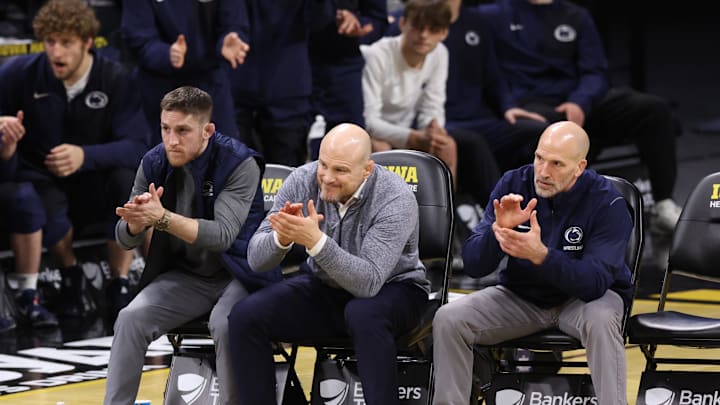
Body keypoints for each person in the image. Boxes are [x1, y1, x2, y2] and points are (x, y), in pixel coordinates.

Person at [432, 121, 633, 405]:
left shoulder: (608, 203)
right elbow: (475, 265)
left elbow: (594, 283)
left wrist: (542, 256)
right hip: (522, 297)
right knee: (449, 319)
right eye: (539, 158)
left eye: (557, 164)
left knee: (601, 321)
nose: (543, 172)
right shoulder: (514, 184)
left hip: (584, 301)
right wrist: (496, 234)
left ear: (580, 167)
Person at [228, 123, 430, 404]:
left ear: (367, 170)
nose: (327, 178)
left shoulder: (395, 197)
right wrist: (281, 238)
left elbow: (369, 282)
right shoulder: (303, 179)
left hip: (395, 288)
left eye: (341, 170)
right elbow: (256, 260)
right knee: (245, 316)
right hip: (325, 285)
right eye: (324, 165)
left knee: (364, 314)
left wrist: (316, 242)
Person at [104, 86, 280, 405]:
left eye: (183, 130)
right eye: (166, 129)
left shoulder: (239, 163)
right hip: (188, 277)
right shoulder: (154, 161)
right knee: (130, 318)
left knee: (226, 324)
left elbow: (223, 235)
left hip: (240, 274)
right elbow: (123, 237)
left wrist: (161, 218)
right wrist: (136, 221)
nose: (172, 140)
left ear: (207, 130)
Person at [0, 0, 151, 319]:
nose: (56, 52)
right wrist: (5, 139)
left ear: (86, 42)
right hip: (43, 177)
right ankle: (70, 277)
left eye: (66, 43)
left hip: (95, 177)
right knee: (35, 194)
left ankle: (120, 283)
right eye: (50, 42)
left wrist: (85, 155)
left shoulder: (115, 78)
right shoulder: (17, 75)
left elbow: (138, 145)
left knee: (128, 181)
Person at [479, 0, 681, 233]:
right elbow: (486, 73)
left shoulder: (577, 16)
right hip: (532, 106)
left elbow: (595, 71)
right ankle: (552, 220)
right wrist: (507, 104)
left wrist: (580, 102)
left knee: (653, 110)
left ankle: (662, 204)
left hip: (579, 102)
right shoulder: (490, 16)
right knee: (544, 133)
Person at [361, 0, 501, 213]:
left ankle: (443, 220)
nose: (424, 35)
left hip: (405, 131)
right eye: (417, 27)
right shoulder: (376, 56)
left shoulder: (439, 54)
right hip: (366, 132)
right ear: (402, 24)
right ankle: (381, 220)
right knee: (382, 149)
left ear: (444, 33)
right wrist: (412, 137)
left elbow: (433, 105)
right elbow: (369, 120)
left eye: (433, 29)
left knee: (446, 145)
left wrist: (434, 129)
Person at [121, 0, 249, 143]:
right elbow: (138, 38)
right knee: (166, 158)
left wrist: (230, 38)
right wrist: (166, 54)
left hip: (211, 86)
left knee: (225, 157)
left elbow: (234, 22)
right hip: (160, 89)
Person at [308, 0, 388, 159]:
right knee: (284, 145)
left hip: (343, 66)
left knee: (350, 148)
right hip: (288, 63)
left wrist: (358, 25)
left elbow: (377, 20)